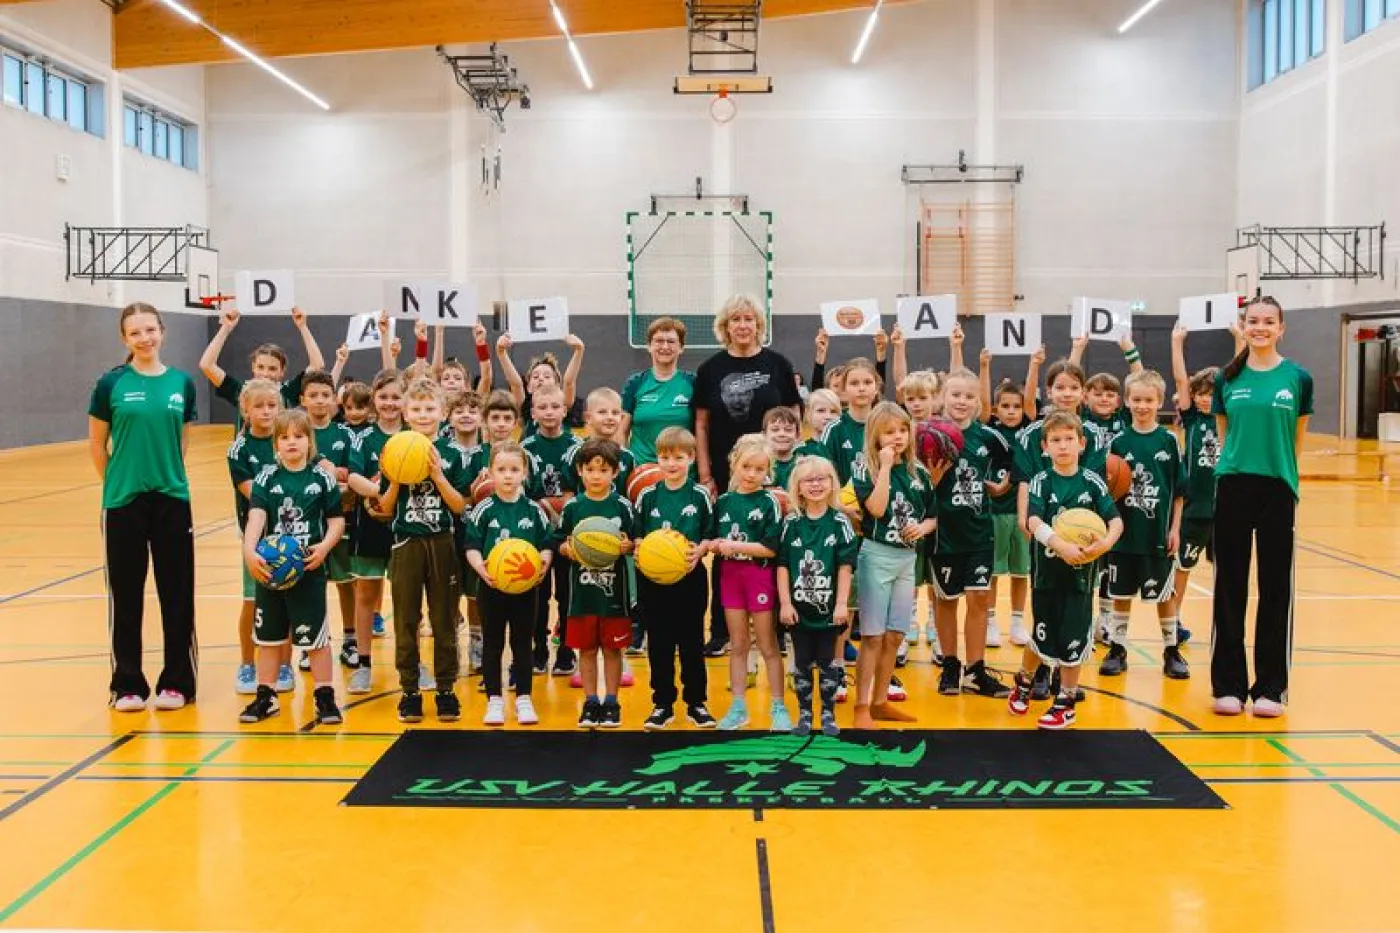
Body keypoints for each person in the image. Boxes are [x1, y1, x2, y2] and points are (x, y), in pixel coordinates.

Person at [88, 303, 200, 712]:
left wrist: (165, 474)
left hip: (172, 499)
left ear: (162, 331)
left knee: (177, 594)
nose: (145, 338)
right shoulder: (110, 385)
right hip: (122, 503)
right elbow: (97, 446)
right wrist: (120, 481)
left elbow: (182, 443)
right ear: (125, 339)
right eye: (135, 333)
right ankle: (128, 684)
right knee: (126, 595)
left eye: (150, 330)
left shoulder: (181, 384)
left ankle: (178, 682)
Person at [1210, 297, 1312, 718]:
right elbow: (1224, 436)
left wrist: (1282, 474)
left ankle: (1271, 687)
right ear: (1243, 326)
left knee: (1275, 590)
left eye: (1269, 322)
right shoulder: (1226, 378)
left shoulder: (1298, 378)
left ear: (1281, 328)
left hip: (1277, 490)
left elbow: (1297, 440)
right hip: (1233, 487)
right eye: (1253, 321)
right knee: (1229, 587)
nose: (1261, 327)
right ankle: (1229, 686)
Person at [693, 295, 801, 655]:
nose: (743, 325)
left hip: (771, 473)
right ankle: (722, 630)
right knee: (726, 548)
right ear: (725, 326)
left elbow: (794, 418)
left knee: (773, 548)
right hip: (730, 476)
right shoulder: (710, 369)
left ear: (759, 324)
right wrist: (707, 473)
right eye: (735, 319)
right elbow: (702, 424)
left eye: (749, 318)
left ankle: (775, 629)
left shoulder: (778, 364)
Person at [1008, 411, 1123, 729]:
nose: (1063, 446)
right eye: (1055, 440)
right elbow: (1032, 521)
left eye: (1069, 439)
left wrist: (1105, 545)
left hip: (1080, 579)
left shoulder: (1093, 482)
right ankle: (1024, 679)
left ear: (1082, 444)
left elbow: (1115, 521)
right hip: (1047, 575)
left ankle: (1066, 701)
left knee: (1074, 640)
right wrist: (1060, 545)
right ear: (1044, 447)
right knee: (1041, 639)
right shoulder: (1041, 481)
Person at [239, 410, 346, 725]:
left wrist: (324, 547)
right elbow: (256, 518)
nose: (291, 443)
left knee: (315, 640)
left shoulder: (321, 477)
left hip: (308, 571)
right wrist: (249, 552)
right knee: (269, 638)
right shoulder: (266, 477)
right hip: (271, 573)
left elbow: (336, 520)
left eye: (298, 436)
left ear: (310, 442)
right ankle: (266, 695)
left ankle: (324, 696)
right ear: (276, 444)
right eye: (284, 437)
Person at [377, 379, 471, 723]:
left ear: (442, 413)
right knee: (406, 620)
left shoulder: (451, 454)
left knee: (444, 618)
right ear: (405, 412)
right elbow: (385, 508)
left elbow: (459, 506)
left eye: (430, 409)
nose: (422, 415)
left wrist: (436, 474)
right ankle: (410, 691)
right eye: (415, 409)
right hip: (406, 543)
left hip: (442, 541)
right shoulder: (393, 450)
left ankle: (446, 689)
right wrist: (398, 477)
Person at [851, 402, 938, 729]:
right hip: (876, 555)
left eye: (903, 430)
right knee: (872, 636)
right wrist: (885, 468)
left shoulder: (920, 472)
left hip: (907, 559)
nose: (898, 437)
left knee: (895, 634)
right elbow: (874, 509)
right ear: (875, 435)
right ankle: (862, 705)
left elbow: (932, 516)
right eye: (889, 432)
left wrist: (923, 528)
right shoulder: (865, 468)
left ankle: (880, 701)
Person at [929, 368, 1013, 699]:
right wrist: (932, 482)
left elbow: (1010, 464)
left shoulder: (990, 437)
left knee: (979, 598)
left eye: (969, 396)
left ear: (978, 401)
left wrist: (1001, 484)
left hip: (979, 532)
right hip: (943, 534)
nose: (962, 401)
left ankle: (976, 670)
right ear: (942, 398)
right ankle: (951, 664)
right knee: (946, 600)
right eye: (955, 394)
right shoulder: (930, 435)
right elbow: (916, 483)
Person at [464, 442, 556, 726]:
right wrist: (481, 568)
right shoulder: (484, 509)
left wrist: (543, 563)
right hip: (492, 587)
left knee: (522, 644)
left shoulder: (534, 510)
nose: (507, 475)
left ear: (524, 473)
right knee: (492, 645)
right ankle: (494, 699)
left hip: (526, 590)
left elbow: (546, 543)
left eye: (514, 469)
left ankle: (524, 698)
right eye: (501, 469)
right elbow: (471, 545)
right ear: (491, 472)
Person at [1104, 370, 1188, 679]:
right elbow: (1107, 489)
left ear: (1160, 402)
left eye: (1148, 400)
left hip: (1157, 535)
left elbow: (1179, 492)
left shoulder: (1168, 440)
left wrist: (1175, 529)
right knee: (1120, 594)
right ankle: (1118, 648)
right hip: (1124, 535)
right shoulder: (1118, 442)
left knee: (1164, 595)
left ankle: (1171, 650)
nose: (1142, 406)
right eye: (1136, 399)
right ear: (1126, 401)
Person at [634, 427, 717, 729]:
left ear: (692, 458)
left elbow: (710, 535)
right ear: (657, 459)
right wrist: (640, 546)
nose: (671, 463)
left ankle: (697, 702)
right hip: (653, 582)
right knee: (659, 643)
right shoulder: (647, 496)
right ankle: (662, 703)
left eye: (679, 457)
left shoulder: (700, 495)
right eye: (665, 457)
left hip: (690, 578)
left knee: (692, 642)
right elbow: (636, 536)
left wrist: (702, 549)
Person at [558, 439, 636, 729]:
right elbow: (559, 541)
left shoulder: (623, 507)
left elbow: (635, 542)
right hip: (582, 593)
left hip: (614, 593)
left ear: (614, 473)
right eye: (590, 469)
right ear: (580, 471)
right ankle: (591, 702)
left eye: (603, 470)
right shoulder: (573, 507)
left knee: (613, 649)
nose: (596, 476)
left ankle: (612, 701)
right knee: (587, 650)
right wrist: (566, 549)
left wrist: (627, 547)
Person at [711, 434, 788, 731]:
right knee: (738, 644)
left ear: (768, 470)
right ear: (734, 464)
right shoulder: (725, 501)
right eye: (747, 467)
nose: (752, 474)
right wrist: (716, 545)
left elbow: (770, 548)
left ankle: (778, 706)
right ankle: (738, 706)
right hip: (731, 578)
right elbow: (716, 540)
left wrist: (734, 546)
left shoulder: (769, 501)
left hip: (759, 577)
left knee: (768, 645)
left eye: (759, 469)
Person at [777, 456, 858, 737]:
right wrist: (785, 603)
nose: (815, 484)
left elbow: (845, 567)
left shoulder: (840, 523)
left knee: (828, 663)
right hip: (798, 611)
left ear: (832, 483)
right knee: (801, 664)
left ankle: (828, 712)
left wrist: (841, 605)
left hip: (828, 612)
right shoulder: (791, 523)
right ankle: (804, 713)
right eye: (808, 480)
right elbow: (783, 566)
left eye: (822, 478)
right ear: (798, 487)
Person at [1161, 325, 1227, 649]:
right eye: (1201, 392)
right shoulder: (1193, 420)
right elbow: (1180, 380)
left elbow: (1240, 378)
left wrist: (1240, 338)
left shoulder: (1231, 418)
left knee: (1227, 574)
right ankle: (1172, 623)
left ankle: (1226, 626)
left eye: (1213, 393)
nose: (1206, 398)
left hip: (1227, 509)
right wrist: (1177, 342)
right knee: (1182, 569)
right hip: (1194, 510)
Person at [344, 370, 405, 693]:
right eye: (384, 397)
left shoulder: (413, 436)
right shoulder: (363, 438)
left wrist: (394, 497)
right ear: (374, 402)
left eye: (396, 397)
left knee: (407, 598)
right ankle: (364, 662)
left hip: (405, 526)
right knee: (366, 595)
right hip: (369, 525)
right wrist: (379, 494)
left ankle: (412, 662)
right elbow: (353, 478)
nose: (390, 403)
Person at [978, 346, 1043, 649]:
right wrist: (984, 365)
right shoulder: (989, 430)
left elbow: (1030, 398)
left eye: (1016, 406)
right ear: (996, 409)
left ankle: (1017, 622)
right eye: (1005, 405)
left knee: (1021, 571)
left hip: (1024, 513)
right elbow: (982, 400)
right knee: (993, 572)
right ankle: (990, 621)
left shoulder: (1030, 431)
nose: (1012, 410)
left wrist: (1034, 364)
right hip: (994, 511)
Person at [228, 380, 290, 695]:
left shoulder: (287, 439)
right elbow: (254, 494)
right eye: (259, 406)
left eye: (272, 406)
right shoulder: (240, 449)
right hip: (257, 537)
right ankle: (247, 663)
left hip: (291, 535)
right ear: (246, 410)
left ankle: (285, 665)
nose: (266, 412)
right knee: (253, 601)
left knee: (288, 600)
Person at [298, 370, 358, 673]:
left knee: (347, 583)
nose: (320, 401)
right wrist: (329, 474)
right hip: (308, 524)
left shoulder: (345, 434)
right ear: (302, 400)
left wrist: (341, 478)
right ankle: (313, 641)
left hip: (340, 518)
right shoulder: (296, 434)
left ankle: (350, 639)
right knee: (313, 584)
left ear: (335, 399)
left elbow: (351, 477)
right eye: (313, 396)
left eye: (325, 395)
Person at [522, 384, 582, 675]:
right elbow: (523, 494)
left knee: (568, 594)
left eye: (554, 406)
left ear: (564, 410)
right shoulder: (526, 449)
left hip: (567, 535)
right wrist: (546, 507)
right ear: (533, 412)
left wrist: (563, 509)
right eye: (542, 407)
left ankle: (567, 650)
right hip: (537, 535)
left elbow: (580, 491)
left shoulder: (576, 447)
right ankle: (539, 648)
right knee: (538, 594)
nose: (549, 412)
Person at [199, 307, 325, 425]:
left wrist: (303, 326)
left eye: (272, 369)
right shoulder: (242, 391)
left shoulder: (288, 392)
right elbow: (207, 365)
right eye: (260, 367)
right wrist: (226, 327)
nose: (265, 373)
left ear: (282, 371)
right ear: (253, 367)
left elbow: (317, 365)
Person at [621, 317, 696, 465]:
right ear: (649, 346)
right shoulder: (636, 383)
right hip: (642, 472)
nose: (665, 346)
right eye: (659, 341)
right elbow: (622, 432)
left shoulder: (693, 383)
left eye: (671, 341)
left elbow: (702, 429)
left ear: (681, 347)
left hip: (682, 472)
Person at [496, 333, 586, 436]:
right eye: (535, 376)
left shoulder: (563, 402)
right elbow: (516, 384)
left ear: (557, 385)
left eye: (547, 376)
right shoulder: (526, 406)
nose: (541, 378)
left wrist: (579, 351)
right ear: (529, 387)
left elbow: (569, 382)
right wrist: (501, 352)